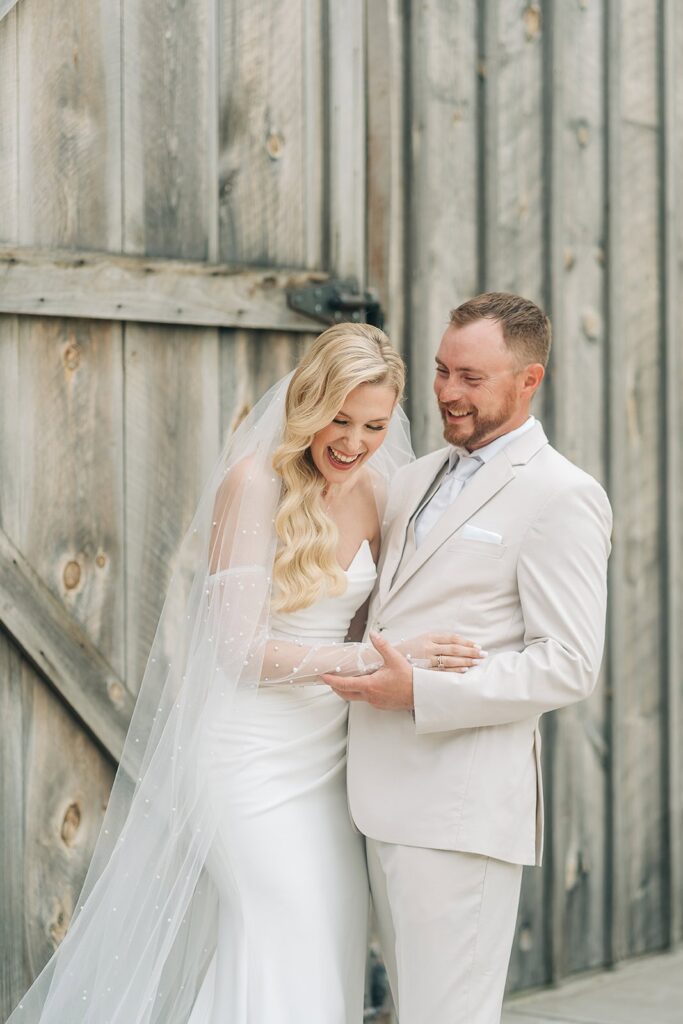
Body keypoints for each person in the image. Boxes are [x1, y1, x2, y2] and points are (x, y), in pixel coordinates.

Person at [7, 322, 481, 1024]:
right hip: (247, 757)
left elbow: (379, 615)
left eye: (374, 425)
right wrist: (370, 659)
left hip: (330, 762)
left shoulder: (380, 489)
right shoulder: (254, 484)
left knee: (330, 935)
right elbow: (239, 651)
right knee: (279, 929)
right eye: (338, 420)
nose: (353, 442)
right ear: (308, 404)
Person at [325, 293, 613, 1024]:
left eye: (471, 378)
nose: (448, 392)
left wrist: (418, 692)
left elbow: (567, 663)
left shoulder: (561, 496)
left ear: (529, 380)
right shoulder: (416, 476)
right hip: (374, 796)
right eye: (441, 370)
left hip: (458, 811)